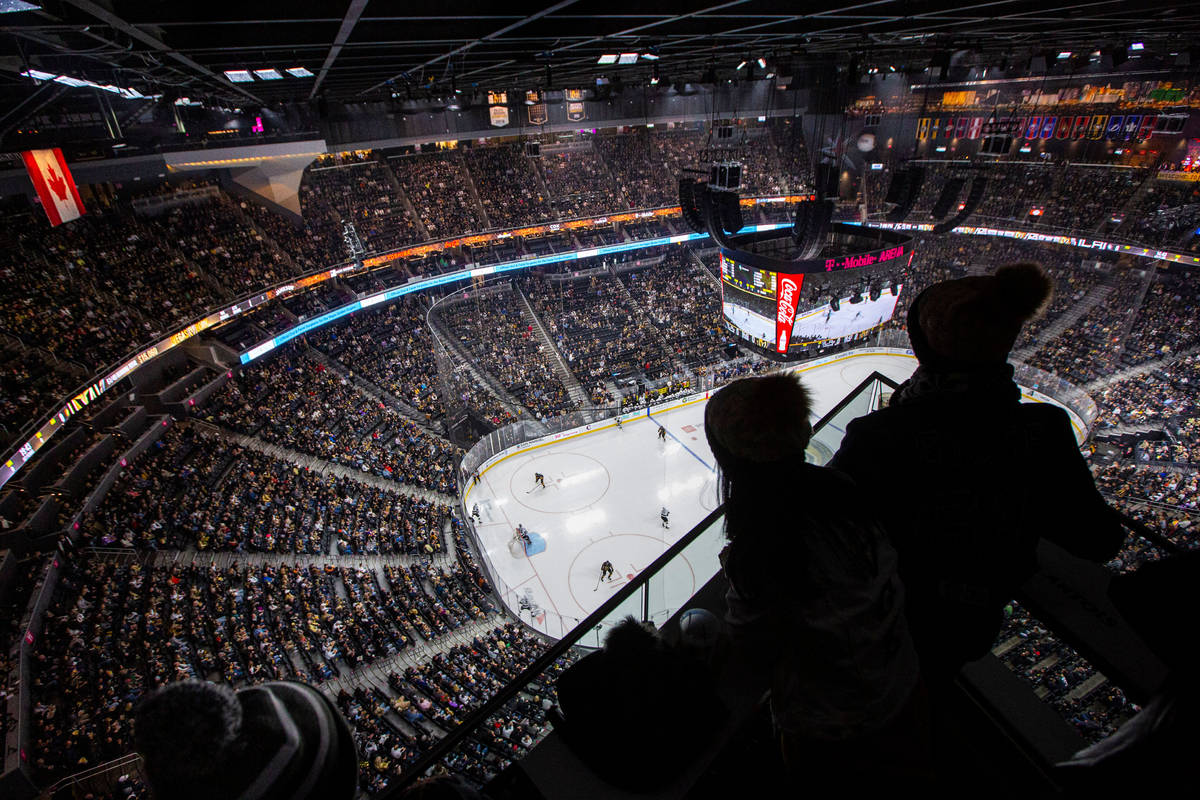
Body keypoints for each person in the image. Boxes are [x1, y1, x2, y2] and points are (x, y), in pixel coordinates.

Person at [829, 262, 1125, 678]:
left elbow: (828, 517)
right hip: (973, 622)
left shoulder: (881, 433)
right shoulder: (1043, 431)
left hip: (886, 613)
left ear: (925, 346)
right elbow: (1098, 540)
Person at [705, 373, 926, 789]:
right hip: (904, 685)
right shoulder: (841, 489)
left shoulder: (761, 547)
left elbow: (749, 648)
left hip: (832, 729)